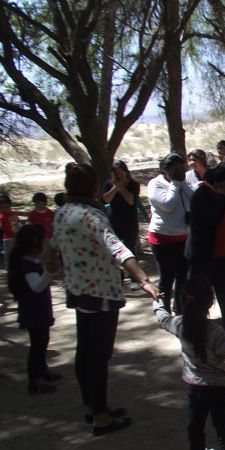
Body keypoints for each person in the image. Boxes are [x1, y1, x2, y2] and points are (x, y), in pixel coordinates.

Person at [45, 162, 158, 435]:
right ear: (94, 187)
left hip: (78, 291)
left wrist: (52, 263)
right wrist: (144, 280)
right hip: (101, 293)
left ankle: (93, 406)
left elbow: (53, 247)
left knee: (85, 351)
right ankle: (100, 417)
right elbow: (119, 249)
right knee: (98, 357)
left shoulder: (62, 212)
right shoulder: (91, 216)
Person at [154, 278, 225, 450]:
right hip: (217, 387)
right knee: (223, 427)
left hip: (193, 386)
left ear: (184, 300)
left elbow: (163, 318)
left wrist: (157, 301)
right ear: (210, 302)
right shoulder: (216, 332)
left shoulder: (179, 324)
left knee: (195, 425)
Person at [188, 164, 225, 332]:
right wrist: (222, 196)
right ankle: (196, 325)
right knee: (200, 291)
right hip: (205, 254)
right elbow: (212, 219)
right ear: (218, 182)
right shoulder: (201, 195)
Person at [7, 224, 61, 394]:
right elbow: (36, 287)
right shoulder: (27, 266)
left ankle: (43, 370)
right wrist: (48, 272)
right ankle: (35, 379)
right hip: (33, 312)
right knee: (38, 344)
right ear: (34, 246)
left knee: (43, 341)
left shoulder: (34, 261)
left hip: (40, 308)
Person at [147, 153, 192, 313]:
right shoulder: (155, 184)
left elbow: (194, 198)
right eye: (174, 169)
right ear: (165, 169)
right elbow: (168, 204)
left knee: (183, 277)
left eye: (181, 168)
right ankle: (164, 312)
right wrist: (175, 183)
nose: (179, 172)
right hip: (162, 239)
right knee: (167, 278)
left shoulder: (182, 182)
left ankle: (179, 310)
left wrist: (182, 183)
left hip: (183, 237)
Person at [103, 160, 142, 289]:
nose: (118, 176)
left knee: (130, 248)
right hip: (114, 221)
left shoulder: (134, 184)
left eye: (120, 173)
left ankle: (134, 279)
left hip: (130, 221)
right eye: (115, 173)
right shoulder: (108, 184)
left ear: (125, 172)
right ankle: (115, 277)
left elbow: (131, 200)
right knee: (112, 250)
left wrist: (123, 187)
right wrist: (115, 187)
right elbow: (106, 199)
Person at [0, 193, 21, 267]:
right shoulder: (1, 216)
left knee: (17, 255)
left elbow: (18, 225)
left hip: (16, 237)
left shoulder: (14, 214)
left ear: (10, 205)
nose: (4, 209)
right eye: (2, 207)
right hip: (6, 238)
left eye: (6, 207)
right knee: (8, 255)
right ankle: (9, 269)